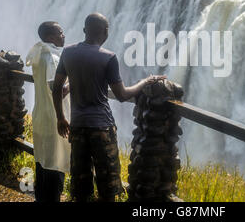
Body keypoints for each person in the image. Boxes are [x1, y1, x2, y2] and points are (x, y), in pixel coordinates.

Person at [52, 12, 165, 202]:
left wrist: (60, 118)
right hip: (102, 128)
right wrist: (145, 81)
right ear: (106, 32)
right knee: (108, 186)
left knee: (81, 185)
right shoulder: (109, 57)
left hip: (77, 127)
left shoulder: (68, 52)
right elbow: (122, 95)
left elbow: (57, 88)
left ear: (84, 30)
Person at [26, 21, 71, 202]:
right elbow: (57, 89)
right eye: (60, 33)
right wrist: (76, 78)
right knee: (55, 164)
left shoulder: (38, 53)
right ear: (51, 37)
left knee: (43, 163)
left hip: (41, 115)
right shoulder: (52, 58)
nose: (64, 35)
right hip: (54, 118)